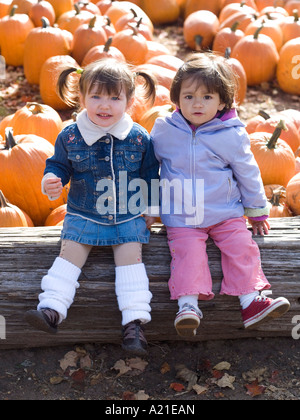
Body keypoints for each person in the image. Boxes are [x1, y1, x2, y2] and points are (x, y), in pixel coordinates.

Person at [25, 59, 159, 355]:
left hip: (127, 216)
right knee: (69, 256)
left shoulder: (139, 138)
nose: (105, 105)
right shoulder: (70, 135)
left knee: (130, 261)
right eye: (96, 96)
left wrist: (151, 208)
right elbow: (59, 164)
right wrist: (52, 178)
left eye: (115, 97)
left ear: (129, 101)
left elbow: (149, 174)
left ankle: (134, 323)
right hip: (83, 214)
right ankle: (51, 308)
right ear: (82, 97)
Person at [151, 52, 290, 338]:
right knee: (187, 254)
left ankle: (251, 301)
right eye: (188, 97)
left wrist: (256, 210)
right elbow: (150, 170)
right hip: (183, 215)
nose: (197, 104)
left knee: (242, 247)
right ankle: (188, 306)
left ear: (223, 102)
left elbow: (248, 172)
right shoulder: (164, 131)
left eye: (207, 97)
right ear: (176, 99)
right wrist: (149, 209)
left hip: (226, 212)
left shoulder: (231, 133)